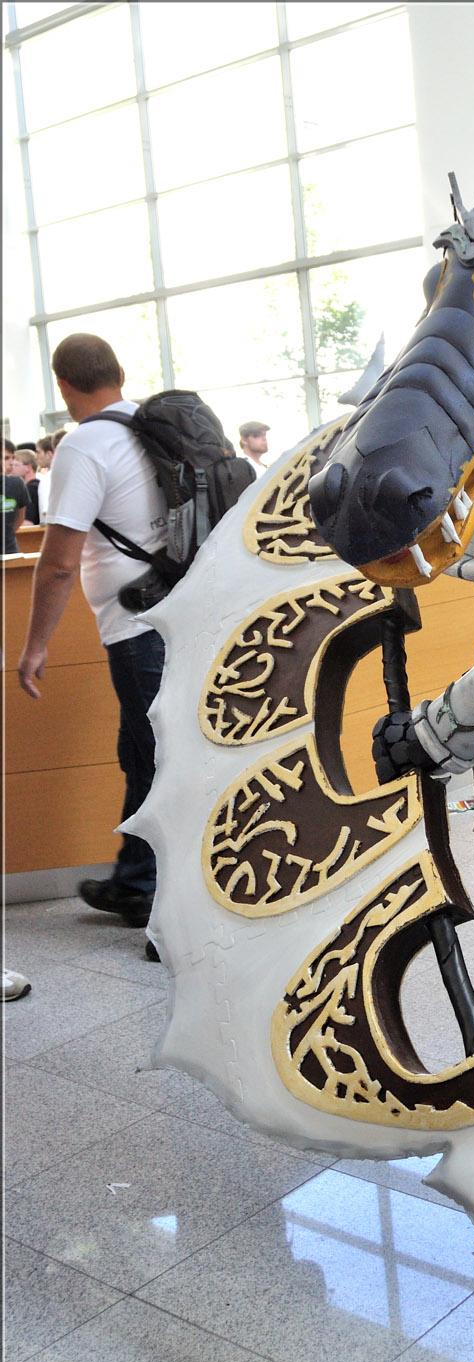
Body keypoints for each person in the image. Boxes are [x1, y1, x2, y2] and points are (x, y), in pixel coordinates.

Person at [17, 333, 168, 932]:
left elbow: (58, 562)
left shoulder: (85, 444)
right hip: (187, 610)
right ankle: (136, 879)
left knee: (152, 755)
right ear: (119, 373)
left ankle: (153, 890)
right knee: (146, 750)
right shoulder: (158, 427)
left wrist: (35, 645)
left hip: (137, 625)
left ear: (63, 385)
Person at [3, 440, 30, 553]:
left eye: (13, 458)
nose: (11, 462)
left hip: (9, 549)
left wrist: (8, 533)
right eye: (6, 458)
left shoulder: (17, 483)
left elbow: (20, 517)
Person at [11, 448, 41, 522]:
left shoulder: (30, 489)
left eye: (16, 465)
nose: (11, 469)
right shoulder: (39, 485)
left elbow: (27, 522)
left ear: (28, 467)